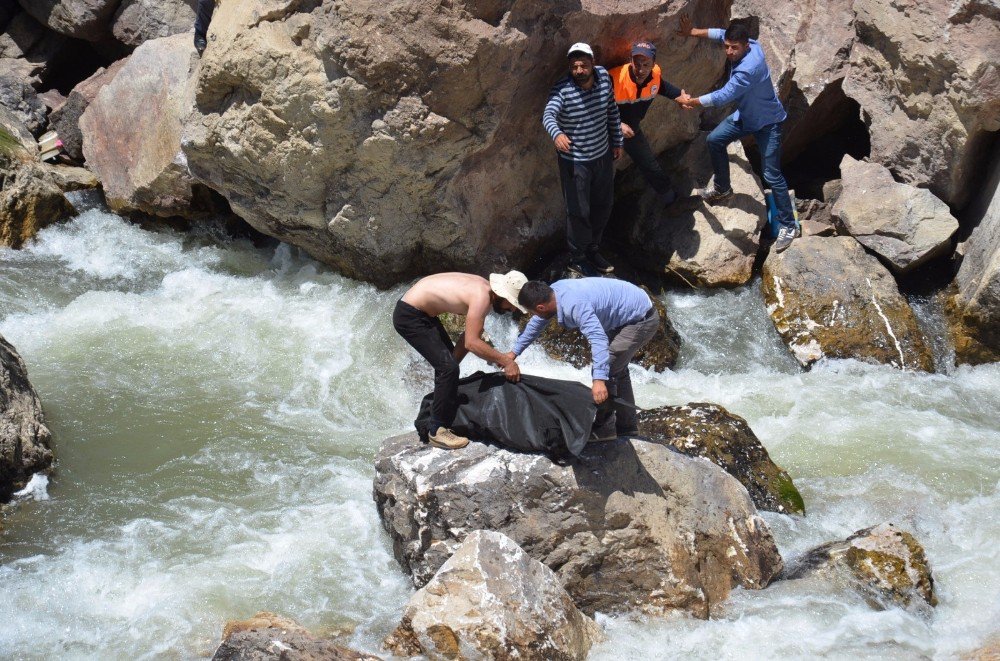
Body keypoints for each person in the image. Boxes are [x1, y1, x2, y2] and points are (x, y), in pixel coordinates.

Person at [675, 16, 800, 252]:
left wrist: (691, 101)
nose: (729, 51)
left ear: (746, 46)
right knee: (714, 140)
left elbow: (723, 95)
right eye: (728, 47)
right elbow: (720, 32)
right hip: (745, 117)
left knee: (772, 176)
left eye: (735, 48)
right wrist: (693, 30)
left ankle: (789, 225)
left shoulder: (749, 68)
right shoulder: (749, 42)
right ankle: (723, 188)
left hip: (768, 124)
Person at [505, 278, 659, 440]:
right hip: (625, 314)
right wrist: (513, 353)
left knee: (608, 368)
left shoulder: (575, 305)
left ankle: (605, 427)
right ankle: (628, 427)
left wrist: (599, 380)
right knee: (617, 369)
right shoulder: (554, 292)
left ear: (541, 307)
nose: (533, 316)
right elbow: (536, 325)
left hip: (641, 319)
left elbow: (598, 338)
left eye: (533, 312)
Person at [393, 271, 526, 450]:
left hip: (421, 312)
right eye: (512, 304)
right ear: (502, 295)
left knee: (448, 366)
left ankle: (440, 411)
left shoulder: (484, 289)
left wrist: (453, 366)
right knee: (447, 368)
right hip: (409, 315)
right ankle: (436, 432)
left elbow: (467, 338)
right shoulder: (482, 297)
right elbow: (472, 343)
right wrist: (507, 361)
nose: (513, 310)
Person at [542, 42, 625, 278]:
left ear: (592, 64)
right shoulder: (563, 90)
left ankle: (593, 249)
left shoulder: (604, 78)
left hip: (602, 156)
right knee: (578, 211)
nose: (579, 70)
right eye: (575, 66)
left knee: (603, 205)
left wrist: (617, 140)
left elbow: (611, 109)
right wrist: (557, 134)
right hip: (575, 161)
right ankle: (577, 259)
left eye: (584, 65)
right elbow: (548, 114)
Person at [608, 41, 687, 205]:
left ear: (653, 64)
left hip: (632, 132)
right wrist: (617, 125)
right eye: (637, 64)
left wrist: (679, 95)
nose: (641, 69)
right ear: (630, 61)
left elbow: (661, 86)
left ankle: (671, 202)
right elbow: (594, 106)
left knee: (650, 166)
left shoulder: (654, 75)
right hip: (606, 132)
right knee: (602, 175)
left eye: (646, 64)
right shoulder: (613, 78)